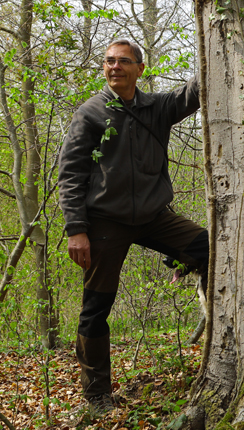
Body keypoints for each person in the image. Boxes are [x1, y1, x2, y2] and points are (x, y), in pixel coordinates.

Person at [58, 39, 209, 412]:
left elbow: (193, 92)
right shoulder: (91, 113)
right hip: (105, 222)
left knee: (210, 248)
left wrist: (217, 43)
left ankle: (216, 345)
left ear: (140, 69)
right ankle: (96, 396)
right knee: (97, 307)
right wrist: (76, 229)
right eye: (109, 61)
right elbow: (71, 174)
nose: (115, 67)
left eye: (124, 61)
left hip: (155, 218)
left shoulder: (156, 107)